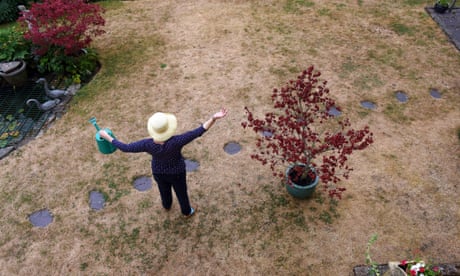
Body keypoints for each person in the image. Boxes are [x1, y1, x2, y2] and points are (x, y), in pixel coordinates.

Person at [99, 108, 228, 217]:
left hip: (159, 172)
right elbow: (198, 131)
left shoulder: (147, 144)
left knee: (163, 190)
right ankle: (187, 211)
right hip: (177, 172)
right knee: (181, 192)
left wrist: (108, 137)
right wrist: (213, 118)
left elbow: (125, 148)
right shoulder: (177, 141)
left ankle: (166, 205)